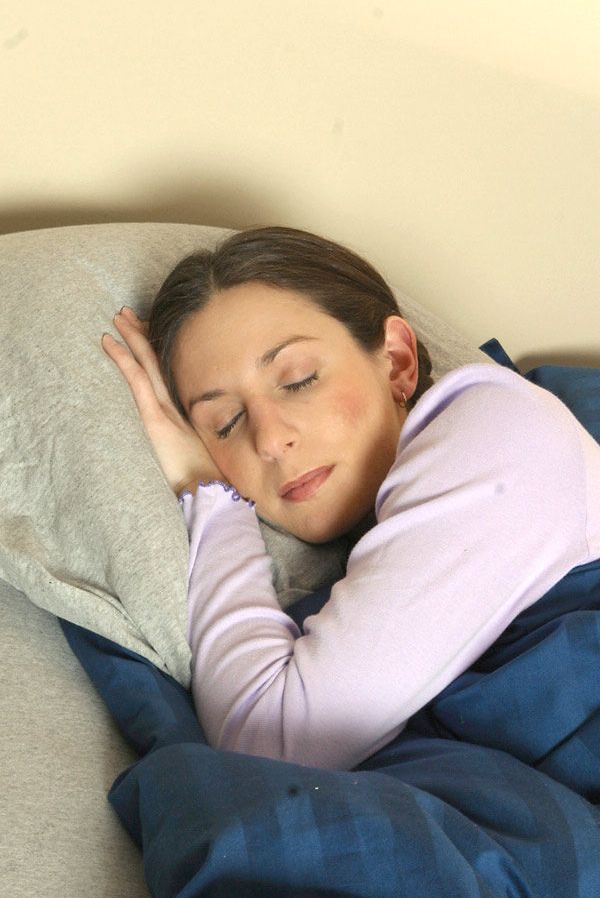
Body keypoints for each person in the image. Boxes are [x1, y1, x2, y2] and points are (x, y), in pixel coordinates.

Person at [101, 226, 600, 771]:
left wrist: (208, 494)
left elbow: (268, 739)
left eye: (298, 380)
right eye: (226, 422)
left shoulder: (496, 432)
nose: (270, 440)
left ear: (398, 361)